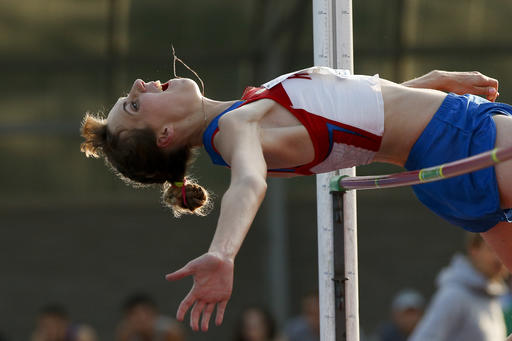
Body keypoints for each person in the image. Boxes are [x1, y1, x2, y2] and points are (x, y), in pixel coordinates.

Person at [80, 64, 512, 332]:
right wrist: (222, 253)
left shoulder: (246, 116)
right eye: (135, 105)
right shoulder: (234, 129)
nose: (139, 84)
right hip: (459, 139)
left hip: (440, 161)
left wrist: (424, 87)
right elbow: (250, 183)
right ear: (166, 136)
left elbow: (356, 115)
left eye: (130, 97)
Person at [408, 233, 508, 341]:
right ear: (473, 249)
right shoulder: (454, 296)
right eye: (492, 249)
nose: (499, 259)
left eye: (506, 252)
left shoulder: (493, 298)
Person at [115, 292, 185, 341]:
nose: (141, 319)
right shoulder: (126, 334)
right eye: (134, 315)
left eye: (145, 314)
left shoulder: (170, 332)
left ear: (154, 313)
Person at [31, 304, 97, 341]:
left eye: (53, 325)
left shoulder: (82, 334)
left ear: (64, 323)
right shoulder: (40, 337)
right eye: (45, 326)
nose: (49, 330)